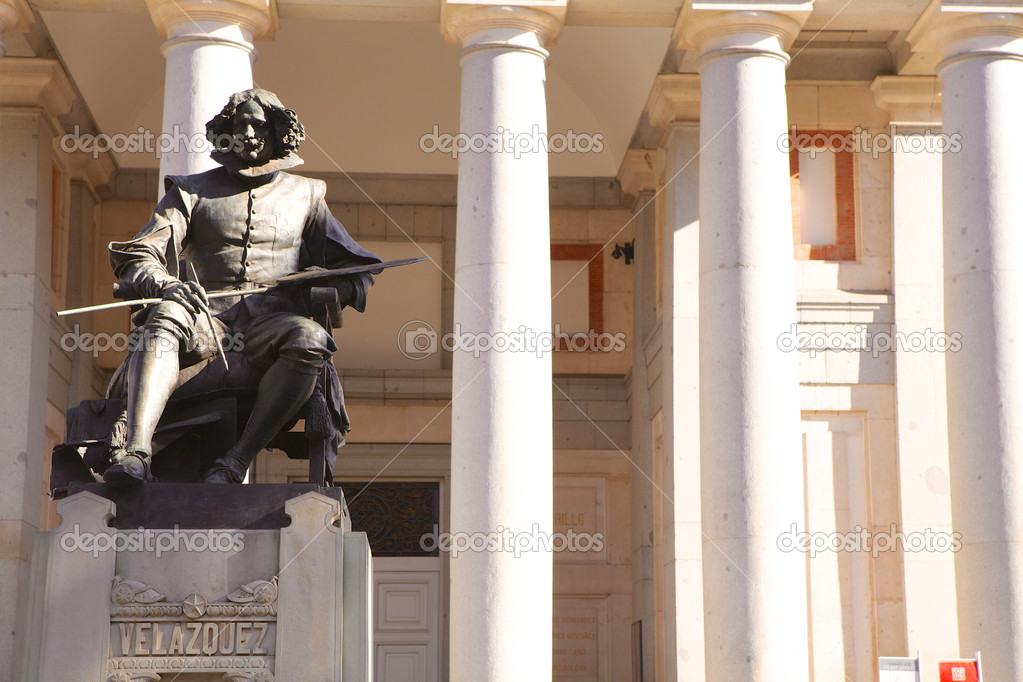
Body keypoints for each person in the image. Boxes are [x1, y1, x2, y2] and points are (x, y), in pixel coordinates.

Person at [104, 88, 381, 485]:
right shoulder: (189, 189)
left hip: (271, 325)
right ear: (226, 132)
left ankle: (235, 461)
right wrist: (165, 283)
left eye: (258, 124)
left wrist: (332, 289)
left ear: (278, 132)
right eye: (240, 124)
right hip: (203, 321)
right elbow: (139, 252)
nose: (248, 132)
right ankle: (136, 455)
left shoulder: (308, 195)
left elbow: (356, 270)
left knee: (310, 339)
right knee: (166, 313)